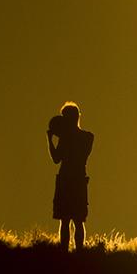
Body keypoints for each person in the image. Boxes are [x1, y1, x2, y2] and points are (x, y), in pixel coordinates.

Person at [46, 102, 94, 252]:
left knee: (65, 220)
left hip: (66, 179)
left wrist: (50, 139)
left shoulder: (66, 139)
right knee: (78, 220)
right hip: (79, 180)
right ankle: (78, 252)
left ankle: (64, 252)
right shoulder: (87, 137)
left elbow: (55, 159)